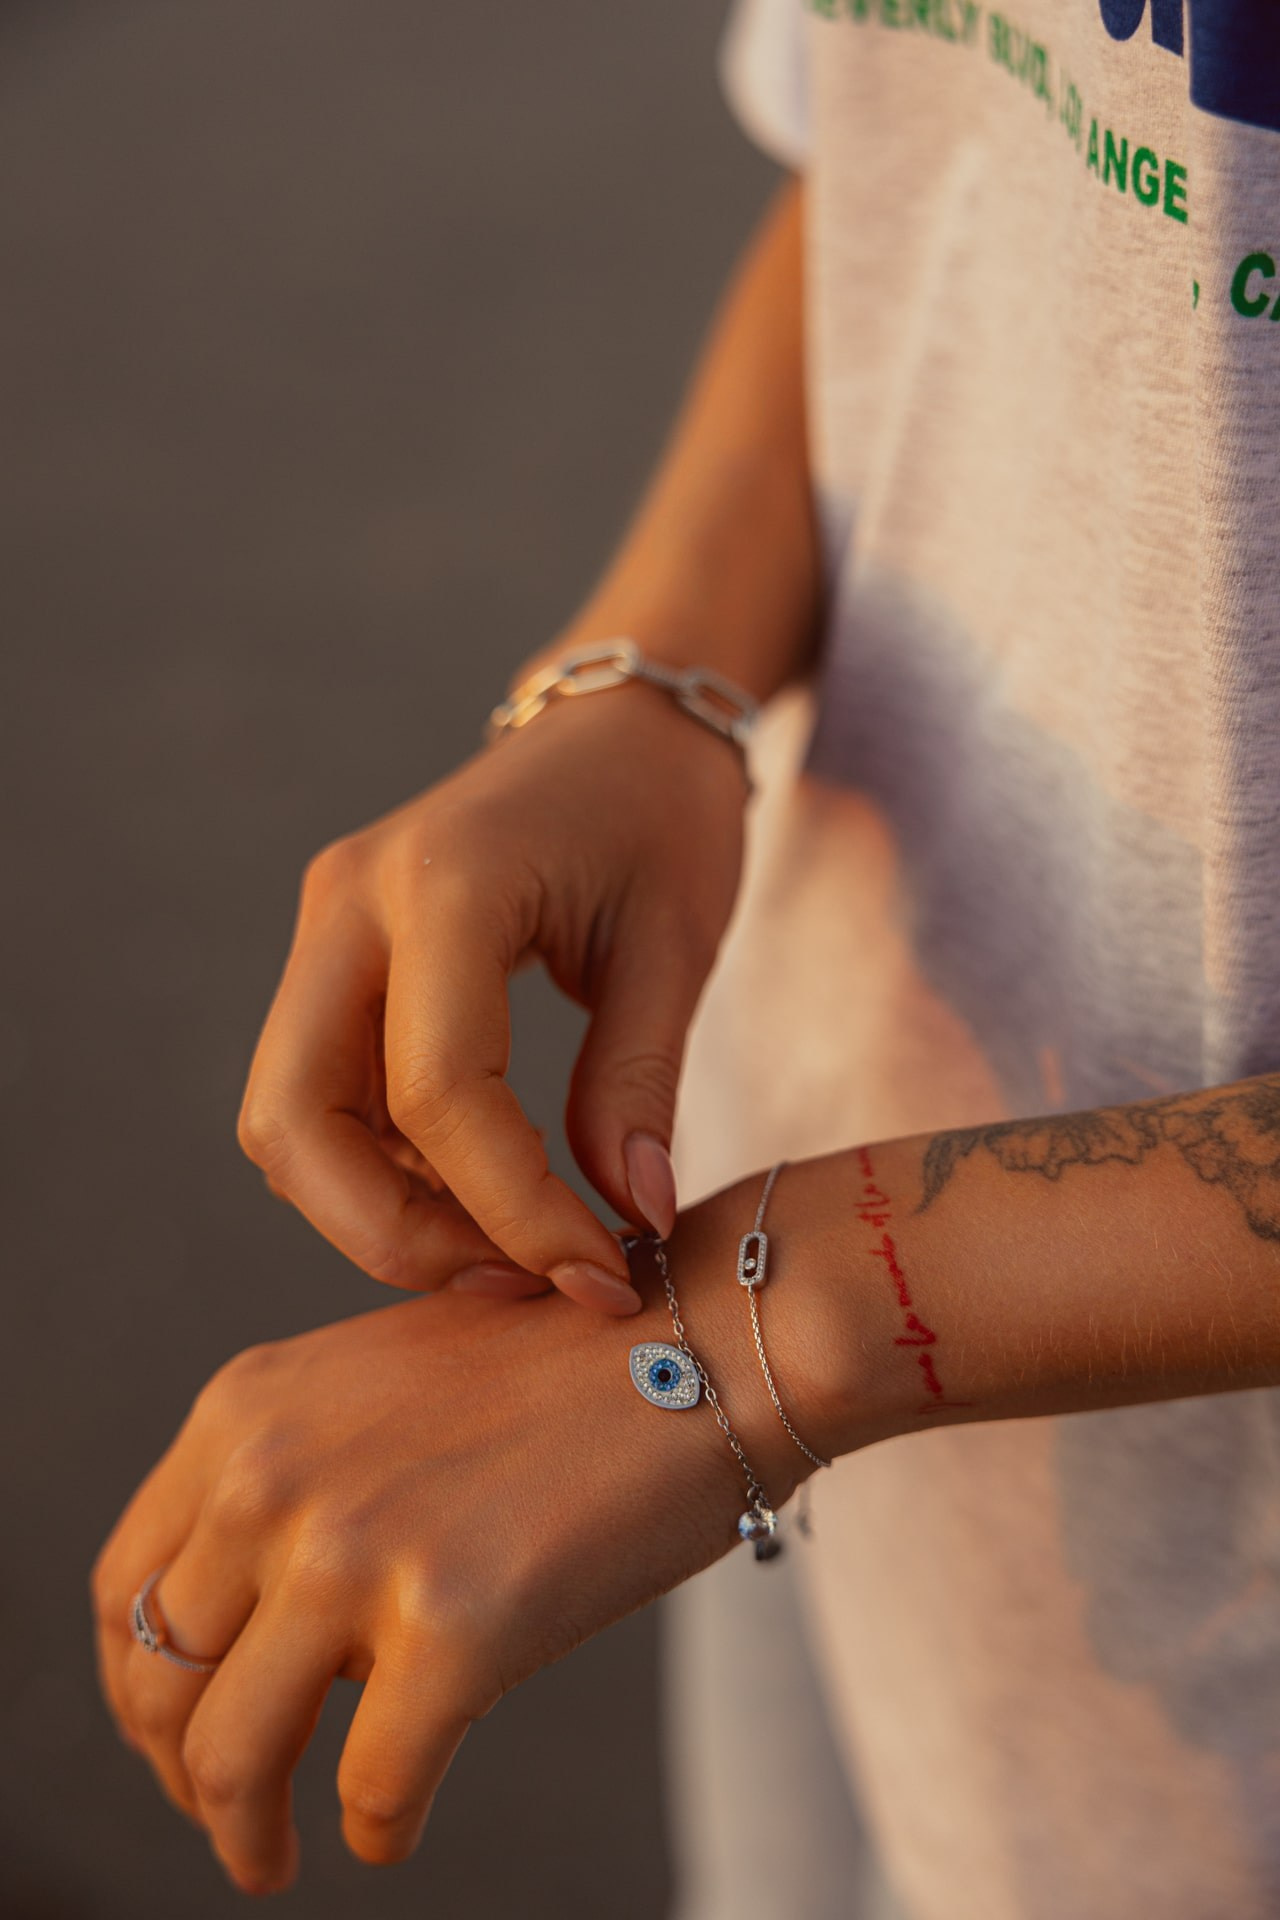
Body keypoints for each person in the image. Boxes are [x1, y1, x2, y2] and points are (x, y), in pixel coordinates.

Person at [92, 1, 1280, 1912]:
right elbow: (944, 161)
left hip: (1173, 1627)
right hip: (784, 1310)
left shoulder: (775, 1330)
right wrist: (645, 690)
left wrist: (769, 1328)